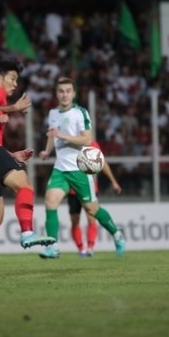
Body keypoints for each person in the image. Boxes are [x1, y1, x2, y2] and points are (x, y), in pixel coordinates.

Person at [0, 59, 55, 280]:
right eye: (12, 78)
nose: (15, 84)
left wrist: (10, 155)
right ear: (0, 78)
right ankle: (27, 232)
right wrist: (12, 108)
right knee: (25, 185)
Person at [38, 77, 125, 259]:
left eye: (68, 91)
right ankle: (52, 245)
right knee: (50, 201)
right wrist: (47, 151)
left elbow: (86, 139)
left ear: (74, 93)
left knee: (92, 210)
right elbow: (52, 135)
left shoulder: (80, 113)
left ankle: (117, 234)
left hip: (79, 169)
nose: (64, 94)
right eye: (61, 91)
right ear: (57, 93)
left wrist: (63, 135)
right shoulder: (53, 113)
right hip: (60, 169)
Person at [66, 142, 122, 257]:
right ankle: (81, 249)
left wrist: (114, 182)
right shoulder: (67, 142)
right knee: (74, 221)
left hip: (89, 187)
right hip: (72, 189)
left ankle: (90, 248)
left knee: (91, 217)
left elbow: (102, 163)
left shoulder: (91, 143)